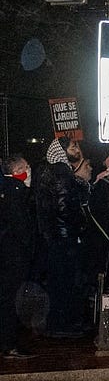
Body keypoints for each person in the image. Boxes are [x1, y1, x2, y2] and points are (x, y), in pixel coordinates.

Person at [36, 139, 90, 338]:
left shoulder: (53, 171)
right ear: (61, 152)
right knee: (65, 281)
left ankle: (63, 322)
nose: (77, 150)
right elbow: (65, 207)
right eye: (72, 147)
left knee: (61, 281)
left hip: (58, 237)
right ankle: (62, 324)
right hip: (64, 237)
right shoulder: (61, 172)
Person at [0, 154, 38, 360]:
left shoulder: (7, 190)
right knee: (10, 300)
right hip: (13, 256)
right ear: (16, 171)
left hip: (9, 254)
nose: (29, 170)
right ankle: (9, 345)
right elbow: (21, 227)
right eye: (25, 167)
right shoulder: (15, 192)